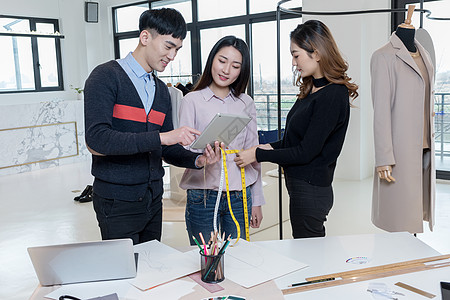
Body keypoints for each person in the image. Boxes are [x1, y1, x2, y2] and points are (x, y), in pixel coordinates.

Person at [84, 8, 220, 245]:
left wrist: (198, 161)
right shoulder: (105, 76)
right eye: (168, 46)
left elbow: (164, 147)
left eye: (177, 49)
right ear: (145, 37)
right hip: (117, 200)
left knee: (150, 272)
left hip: (152, 199)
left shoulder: (161, 92)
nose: (172, 56)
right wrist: (162, 138)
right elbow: (97, 139)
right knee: (126, 274)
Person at [235, 20, 358, 239]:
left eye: (296, 54)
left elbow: (306, 151)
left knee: (311, 256)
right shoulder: (312, 90)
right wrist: (268, 145)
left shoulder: (331, 95)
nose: (293, 62)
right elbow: (294, 139)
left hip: (310, 190)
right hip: (302, 187)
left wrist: (258, 154)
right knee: (309, 252)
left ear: (317, 53)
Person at [178, 36, 265, 245]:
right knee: (207, 261)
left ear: (241, 71)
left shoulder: (246, 103)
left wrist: (257, 201)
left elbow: (254, 154)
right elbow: (183, 151)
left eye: (235, 66)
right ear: (212, 61)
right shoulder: (192, 100)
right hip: (202, 195)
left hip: (239, 196)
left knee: (239, 259)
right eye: (222, 61)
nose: (226, 70)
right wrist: (203, 156)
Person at [371, 5, 435, 234]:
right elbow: (381, 111)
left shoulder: (424, 54)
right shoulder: (383, 56)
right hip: (400, 150)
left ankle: (412, 255)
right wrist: (383, 158)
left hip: (425, 147)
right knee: (398, 216)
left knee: (415, 209)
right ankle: (396, 258)